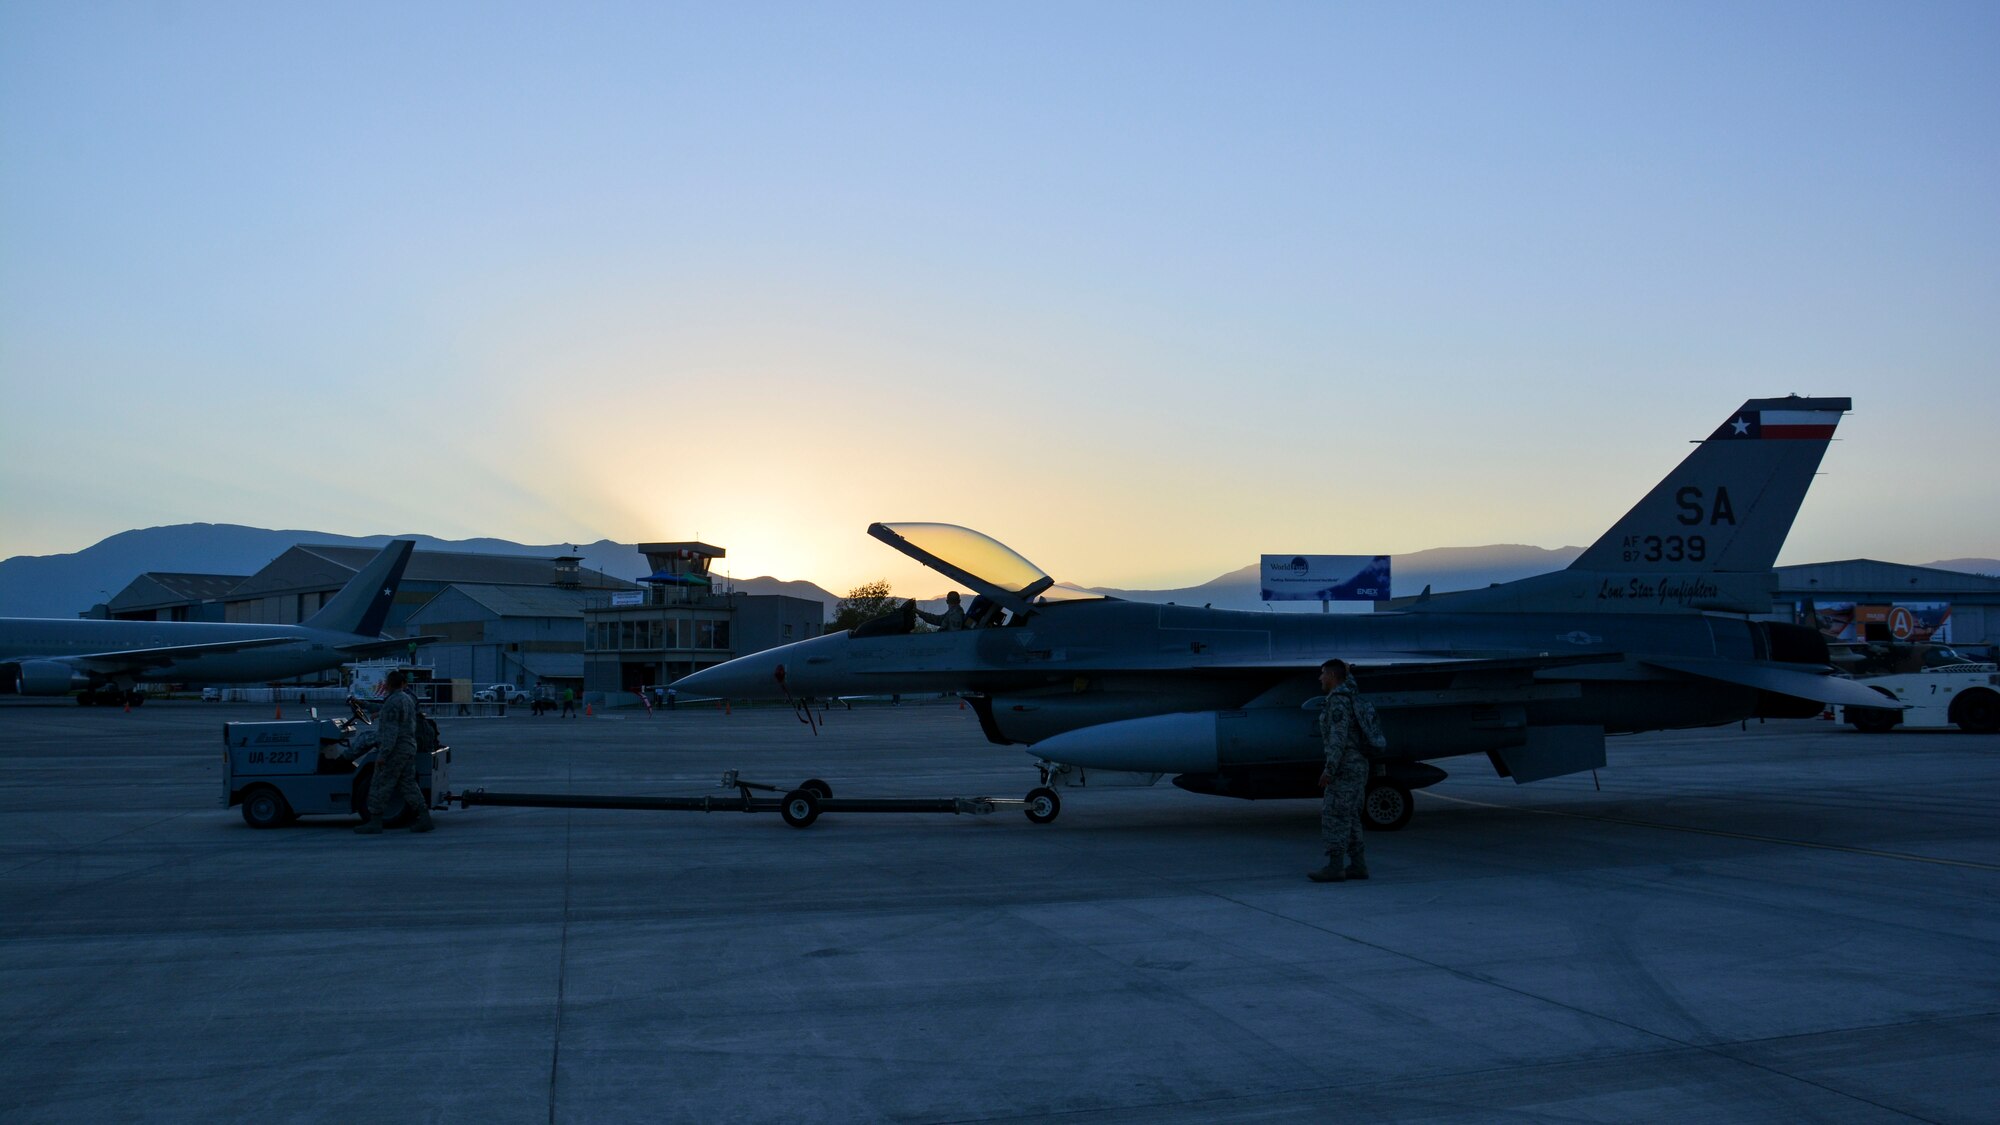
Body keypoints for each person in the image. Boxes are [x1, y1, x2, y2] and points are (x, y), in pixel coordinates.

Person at [1309, 658, 1383, 882]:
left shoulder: (1338, 701)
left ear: (1332, 676)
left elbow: (1337, 739)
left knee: (1334, 814)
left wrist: (1329, 769)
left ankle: (1335, 866)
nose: (1320, 678)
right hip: (1358, 765)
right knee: (1351, 816)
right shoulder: (1351, 695)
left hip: (1345, 767)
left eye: (1323, 673)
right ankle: (1358, 865)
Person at [355, 668, 433, 835]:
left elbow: (391, 732)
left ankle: (375, 821)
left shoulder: (393, 702)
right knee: (408, 784)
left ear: (388, 684)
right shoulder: (406, 699)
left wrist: (383, 755)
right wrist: (364, 704)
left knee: (380, 784)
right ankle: (424, 817)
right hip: (408, 747)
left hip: (395, 750)